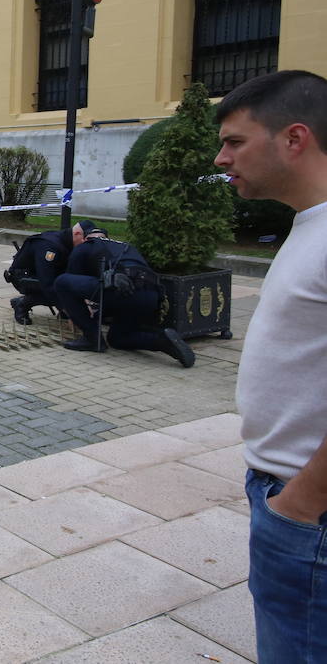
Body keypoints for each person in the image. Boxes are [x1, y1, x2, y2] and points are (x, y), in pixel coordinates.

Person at [213, 69, 327, 662]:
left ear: (294, 138)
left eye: (235, 141)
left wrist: (301, 502)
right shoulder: (309, 226)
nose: (220, 156)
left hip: (309, 511)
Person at [51, 223, 195, 366]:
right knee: (118, 339)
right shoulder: (126, 247)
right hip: (150, 296)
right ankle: (163, 341)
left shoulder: (84, 246)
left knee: (62, 282)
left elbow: (72, 285)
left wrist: (75, 315)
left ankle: (92, 340)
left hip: (121, 291)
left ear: (85, 238)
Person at [5, 226, 75, 324]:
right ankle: (21, 303)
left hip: (39, 273)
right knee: (56, 290)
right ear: (77, 234)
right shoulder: (50, 246)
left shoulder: (66, 240)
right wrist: (64, 307)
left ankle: (65, 309)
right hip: (23, 276)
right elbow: (46, 280)